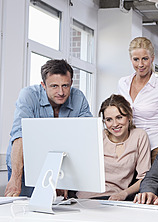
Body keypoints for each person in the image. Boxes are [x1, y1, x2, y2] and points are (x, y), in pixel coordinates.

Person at [5, 59, 92, 197]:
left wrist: (66, 179)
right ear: (43, 85)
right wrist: (15, 179)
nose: (61, 92)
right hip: (25, 163)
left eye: (65, 85)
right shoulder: (28, 96)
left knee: (59, 210)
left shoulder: (79, 98)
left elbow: (85, 136)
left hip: (60, 165)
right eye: (54, 86)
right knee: (23, 207)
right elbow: (20, 136)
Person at [77, 94, 151, 200]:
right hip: (88, 197)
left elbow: (144, 178)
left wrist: (124, 194)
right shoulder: (98, 137)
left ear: (129, 116)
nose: (115, 124)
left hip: (116, 198)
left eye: (119, 117)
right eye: (109, 120)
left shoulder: (139, 136)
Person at [118, 37, 158, 164]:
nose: (140, 64)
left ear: (152, 58)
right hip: (128, 147)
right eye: (136, 59)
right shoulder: (123, 83)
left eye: (145, 59)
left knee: (149, 184)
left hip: (154, 149)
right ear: (131, 59)